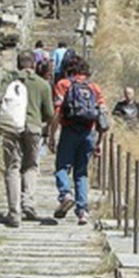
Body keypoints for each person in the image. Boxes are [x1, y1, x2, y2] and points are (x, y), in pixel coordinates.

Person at [0, 51, 53, 227]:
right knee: (31, 166)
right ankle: (28, 203)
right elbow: (49, 113)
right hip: (33, 127)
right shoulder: (42, 84)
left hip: (11, 127)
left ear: (18, 64)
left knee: (12, 167)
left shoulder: (9, 80)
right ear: (34, 65)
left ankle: (14, 213)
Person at [48, 53, 107, 226]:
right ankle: (82, 212)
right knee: (81, 172)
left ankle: (65, 194)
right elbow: (103, 115)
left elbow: (57, 112)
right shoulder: (94, 88)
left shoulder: (63, 84)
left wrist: (52, 135)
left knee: (62, 167)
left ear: (67, 69)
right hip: (89, 133)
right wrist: (100, 141)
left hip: (69, 130)